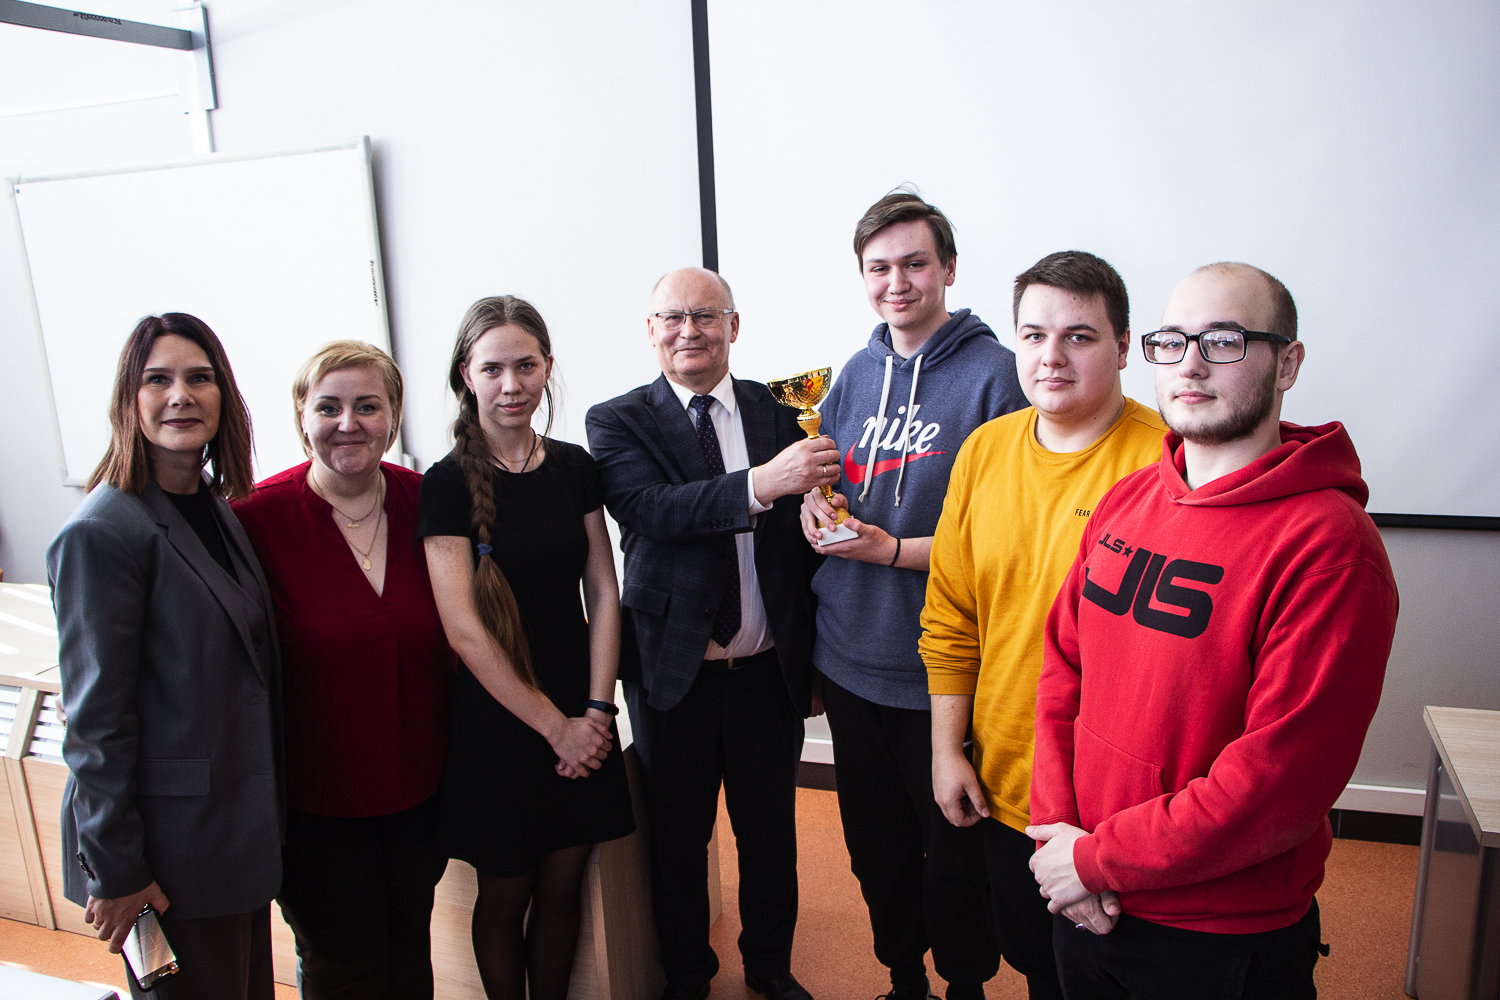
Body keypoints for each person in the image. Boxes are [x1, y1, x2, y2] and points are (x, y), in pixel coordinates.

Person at [1026, 262, 1400, 998]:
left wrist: (1096, 861)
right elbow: (1062, 674)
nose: (1190, 365)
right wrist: (1059, 836)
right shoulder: (1130, 499)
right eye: (1172, 341)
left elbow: (1274, 787)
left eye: (1224, 341)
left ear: (1287, 363)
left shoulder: (1331, 549)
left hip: (1217, 934)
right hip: (1083, 892)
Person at [920, 252, 1168, 999]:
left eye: (1078, 336)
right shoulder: (985, 451)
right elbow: (952, 614)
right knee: (1040, 969)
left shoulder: (1167, 459)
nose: (1051, 357)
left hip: (1122, 805)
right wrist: (946, 750)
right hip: (1010, 782)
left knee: (1117, 979)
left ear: (1123, 347)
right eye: (1033, 336)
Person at [798, 191, 1023, 1000]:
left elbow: (1006, 538)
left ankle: (964, 984)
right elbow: (829, 480)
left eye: (915, 263)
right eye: (879, 267)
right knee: (877, 851)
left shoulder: (999, 377)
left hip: (947, 672)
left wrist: (892, 551)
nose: (897, 282)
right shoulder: (853, 375)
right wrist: (812, 506)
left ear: (949, 269)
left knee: (957, 857)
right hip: (851, 660)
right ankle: (903, 980)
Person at [586, 267, 832, 1000]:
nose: (688, 330)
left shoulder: (781, 409)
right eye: (672, 317)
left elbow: (804, 535)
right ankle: (688, 976)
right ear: (651, 330)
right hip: (673, 676)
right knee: (678, 842)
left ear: (733, 325)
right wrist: (764, 483)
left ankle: (770, 967)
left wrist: (818, 500)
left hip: (765, 671)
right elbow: (653, 510)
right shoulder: (617, 420)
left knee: (771, 837)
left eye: (704, 315)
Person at [46, 313, 282, 999]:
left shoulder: (210, 507)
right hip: (161, 865)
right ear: (130, 398)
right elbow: (95, 724)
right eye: (158, 380)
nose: (181, 395)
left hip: (229, 840)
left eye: (199, 378)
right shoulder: (102, 532)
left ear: (223, 396)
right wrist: (118, 872)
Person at [419, 295, 634, 1000]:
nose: (511, 384)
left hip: (580, 704)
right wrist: (556, 728)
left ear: (547, 368)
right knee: (506, 893)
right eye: (493, 369)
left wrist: (597, 713)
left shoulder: (574, 467)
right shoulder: (445, 483)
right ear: (466, 375)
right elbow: (463, 629)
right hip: (501, 717)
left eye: (526, 365)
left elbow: (604, 591)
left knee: (564, 885)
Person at [232, 341, 455, 999]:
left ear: (395, 415)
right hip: (315, 810)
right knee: (344, 965)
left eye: (367, 406)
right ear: (302, 416)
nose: (348, 423)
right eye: (328, 407)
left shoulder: (427, 502)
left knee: (409, 951)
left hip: (419, 795)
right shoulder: (254, 519)